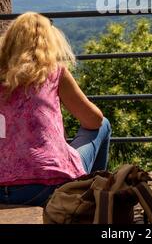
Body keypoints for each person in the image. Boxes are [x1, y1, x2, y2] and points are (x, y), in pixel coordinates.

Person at [0, 12, 111, 207]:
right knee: (104, 125)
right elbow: (93, 120)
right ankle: (91, 200)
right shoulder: (54, 72)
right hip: (45, 188)